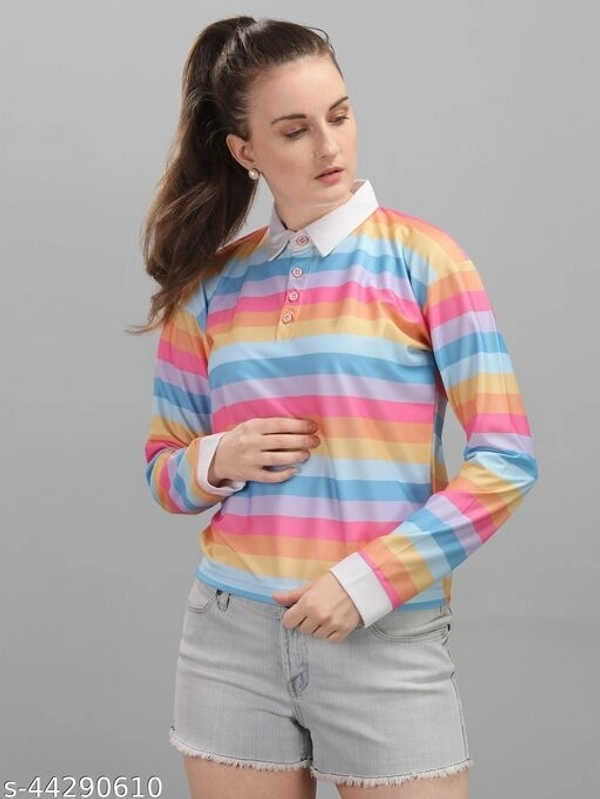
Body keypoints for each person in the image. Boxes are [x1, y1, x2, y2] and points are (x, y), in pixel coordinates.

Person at [131, 15, 538, 799]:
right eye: (295, 130)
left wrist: (371, 579)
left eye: (340, 116)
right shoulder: (208, 285)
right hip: (230, 639)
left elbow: (507, 460)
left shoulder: (426, 261)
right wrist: (219, 457)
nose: (329, 147)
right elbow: (163, 472)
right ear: (245, 151)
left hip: (383, 632)